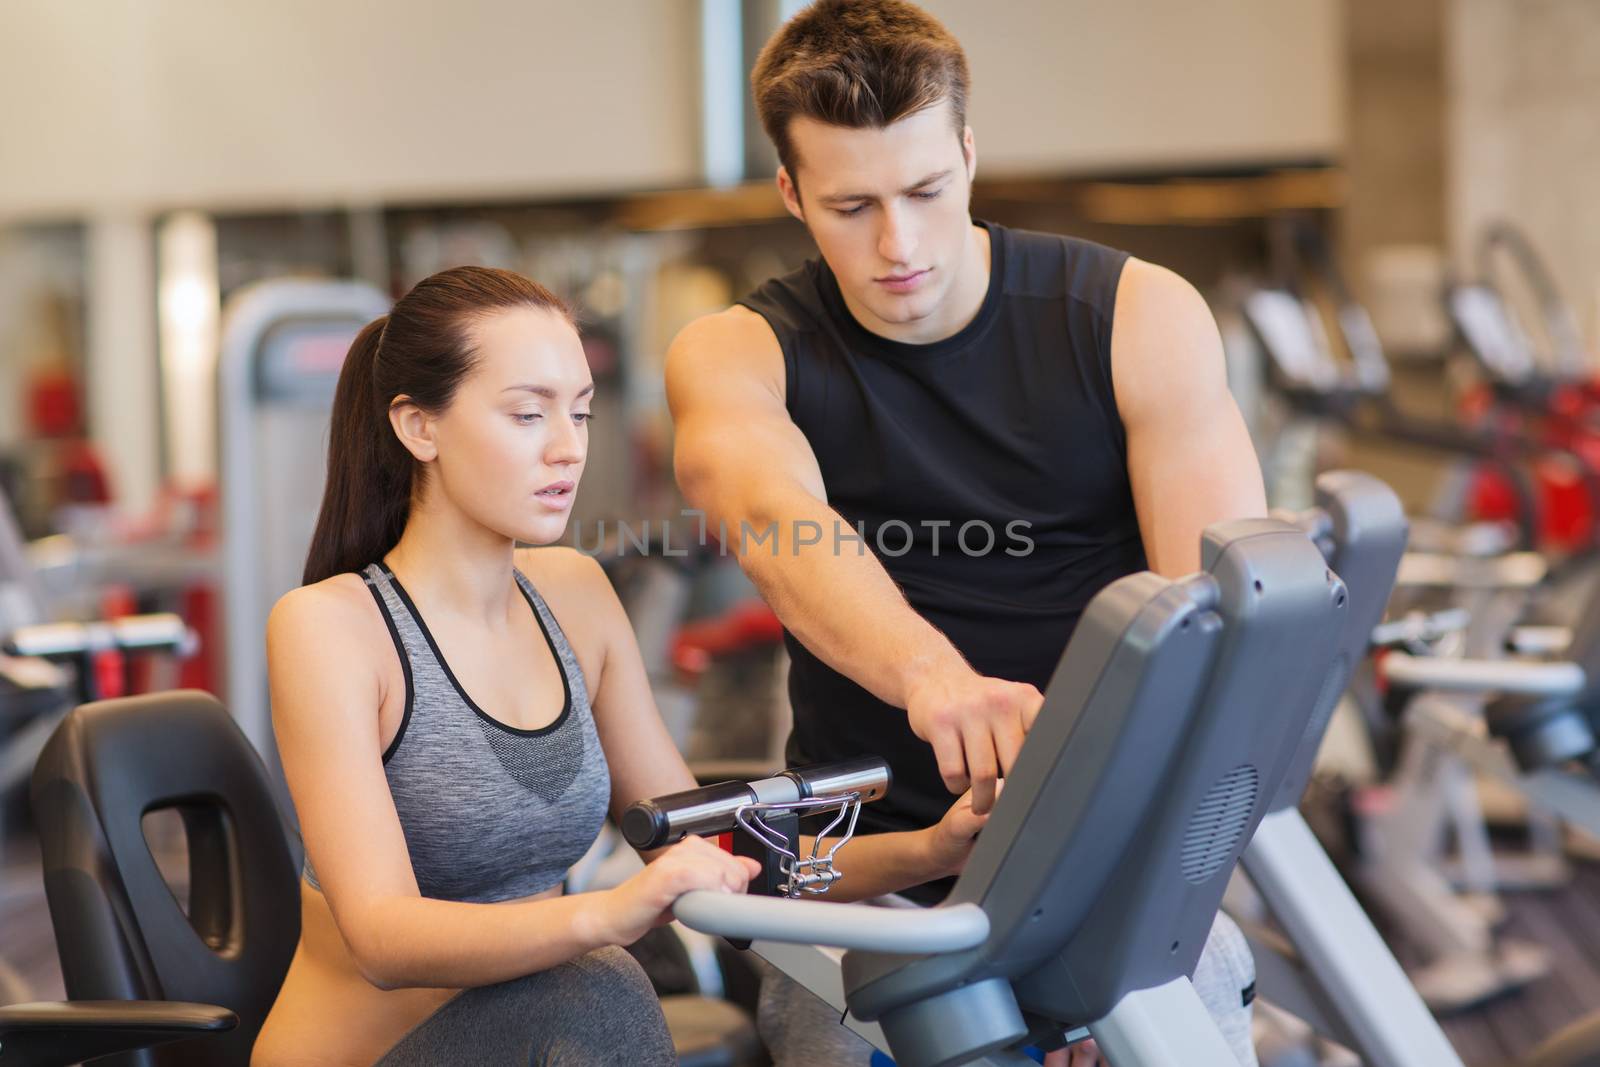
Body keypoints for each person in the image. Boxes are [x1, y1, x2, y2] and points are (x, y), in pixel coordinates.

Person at [666, 2, 1268, 1064]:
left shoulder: (1133, 315)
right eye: (850, 206)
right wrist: (933, 677)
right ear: (790, 194)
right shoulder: (741, 350)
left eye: (925, 192)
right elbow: (769, 511)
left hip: (1121, 875)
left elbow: (1219, 638)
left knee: (1190, 1002)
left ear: (969, 154)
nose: (896, 244)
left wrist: (1101, 953)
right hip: (874, 896)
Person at [251, 266, 992, 1067]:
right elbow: (382, 938)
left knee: (607, 983)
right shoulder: (332, 627)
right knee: (597, 981)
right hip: (376, 1054)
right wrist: (610, 913)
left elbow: (711, 850)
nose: (567, 448)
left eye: (580, 412)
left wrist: (930, 851)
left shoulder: (573, 595)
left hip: (546, 1034)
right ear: (418, 427)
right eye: (528, 414)